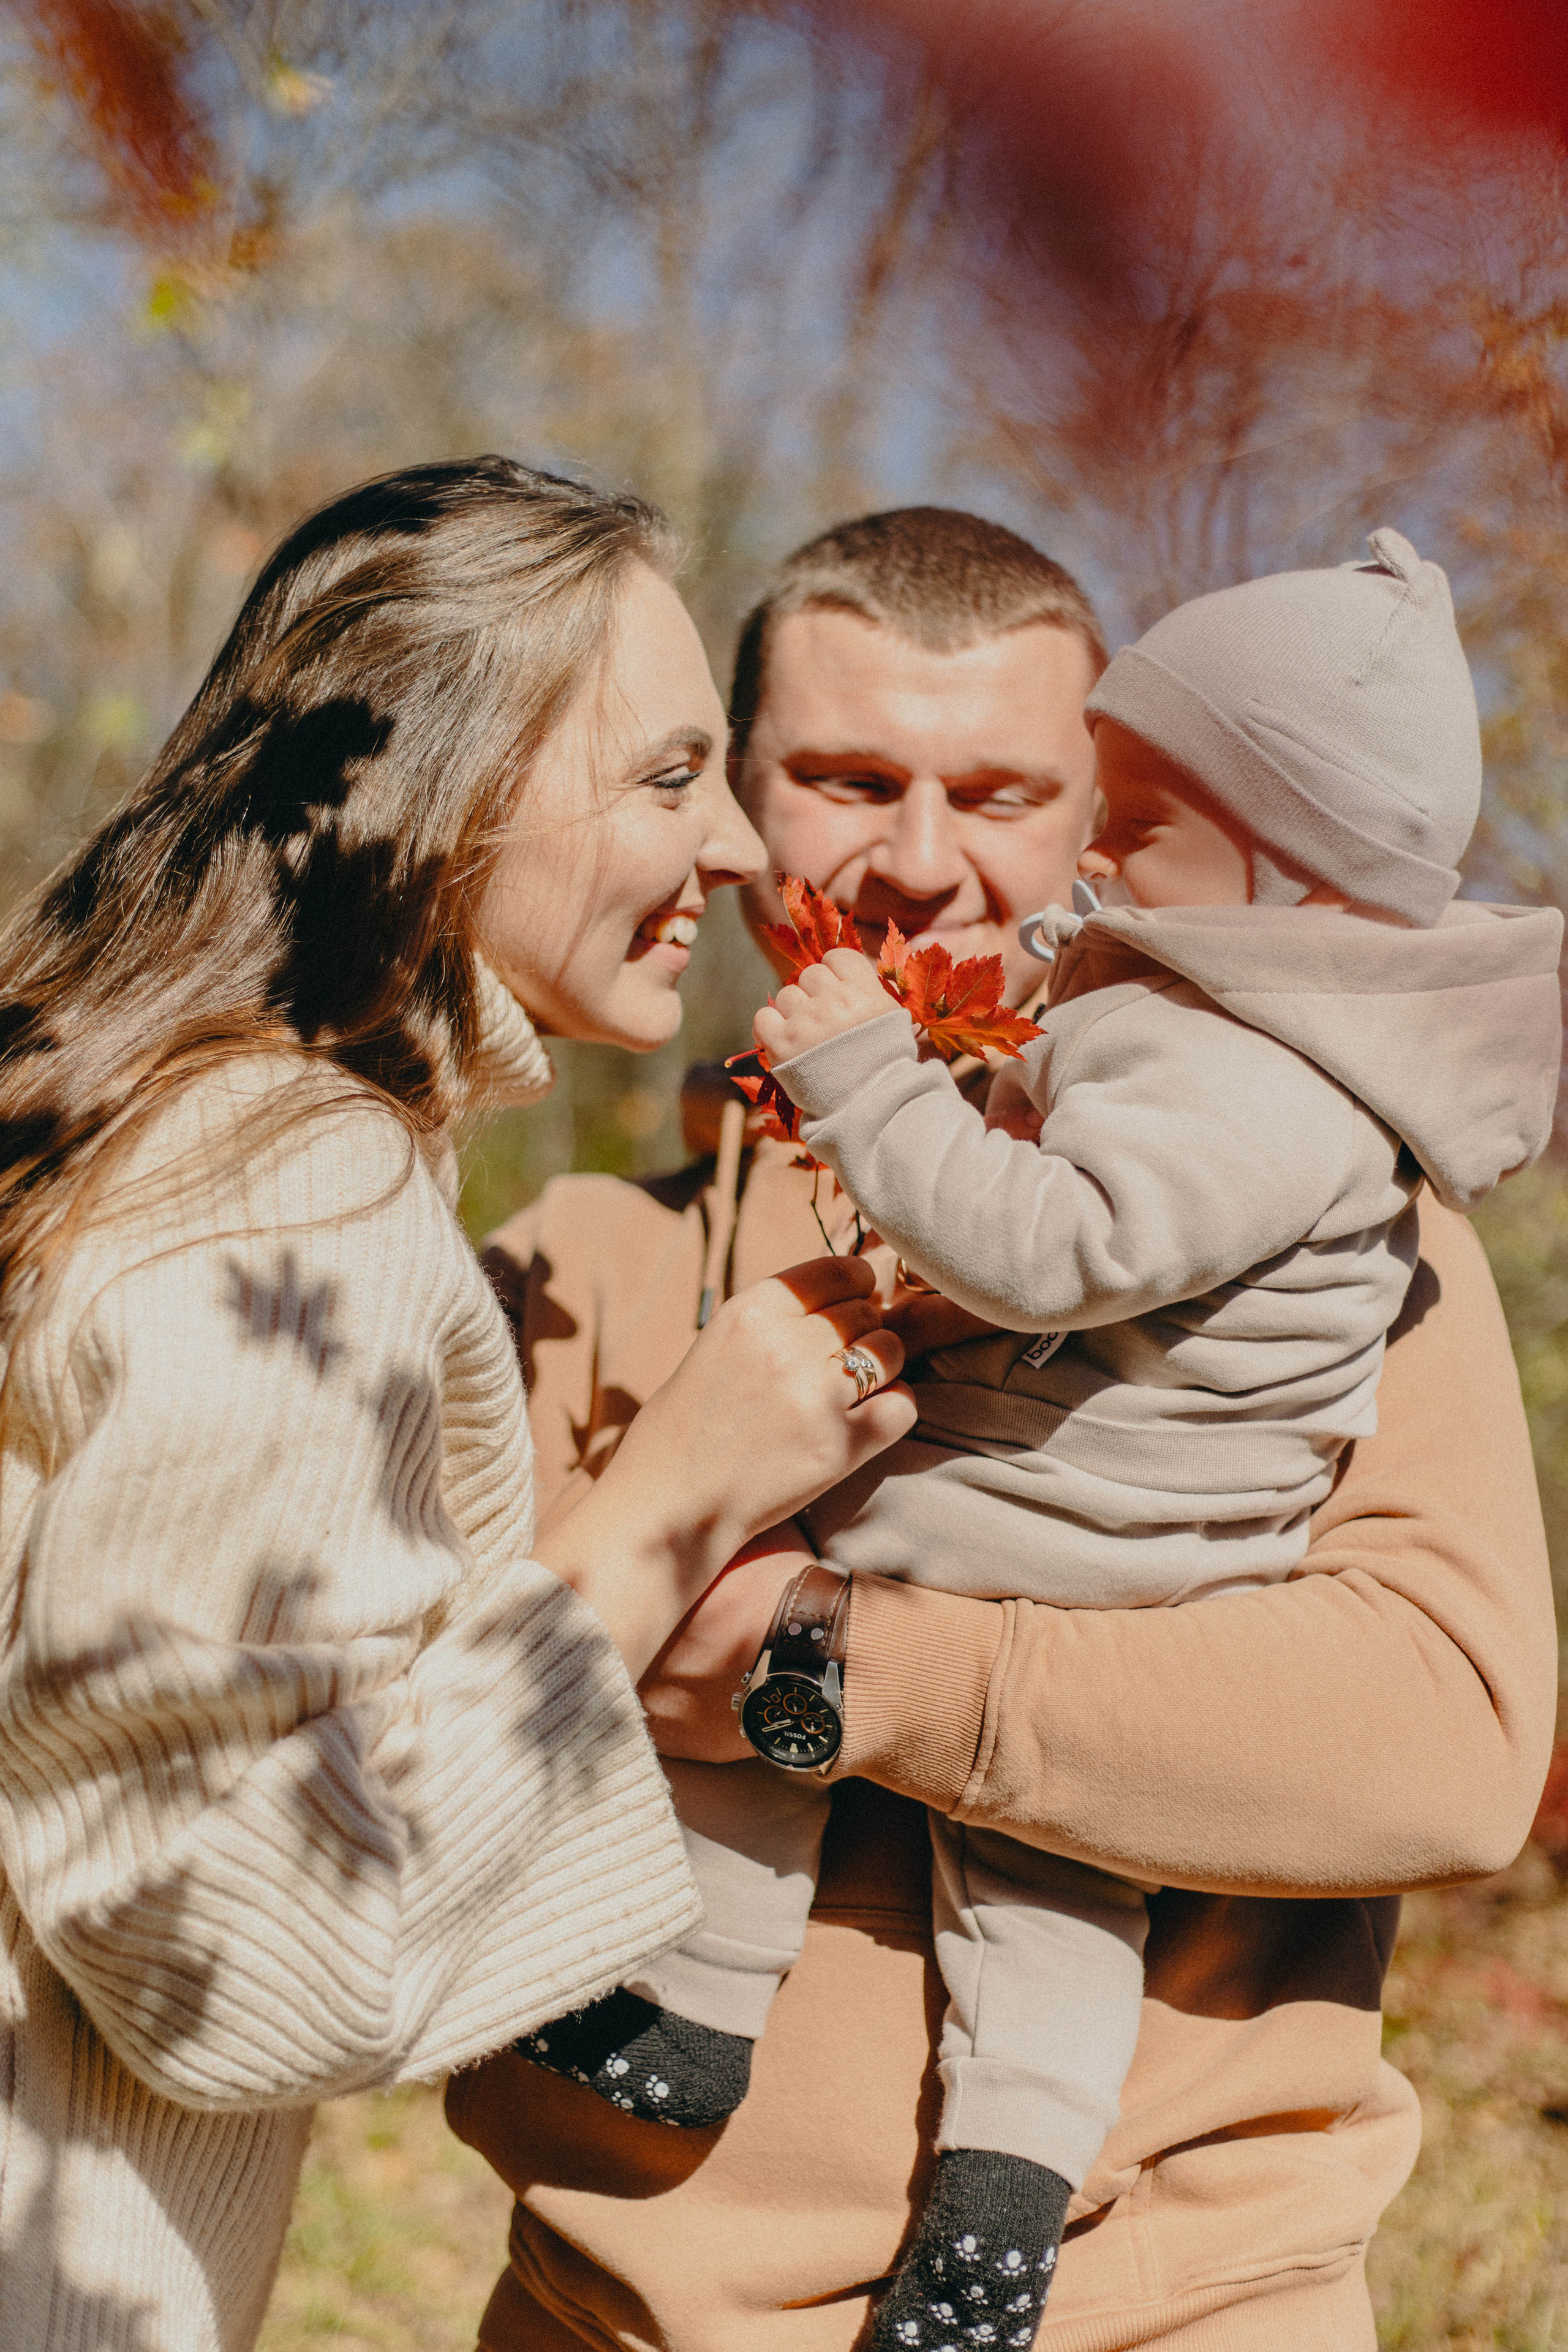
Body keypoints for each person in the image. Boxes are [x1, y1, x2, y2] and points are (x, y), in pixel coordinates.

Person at [451, 507, 1559, 2351]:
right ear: (732, 810)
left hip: (1174, 2314)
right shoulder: (568, 1268)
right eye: (844, 776)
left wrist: (840, 1666)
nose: (919, 864)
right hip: (605, 2316)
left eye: (1007, 796)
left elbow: (1448, 1745)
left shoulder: (1330, 1223)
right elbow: (379, 1755)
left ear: (1108, 818)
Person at [0, 458, 916, 2352]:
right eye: (669, 777)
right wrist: (670, 1502)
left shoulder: (140, 1122)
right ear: (451, 784)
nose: (739, 851)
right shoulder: (282, 1178)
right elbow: (216, 1939)